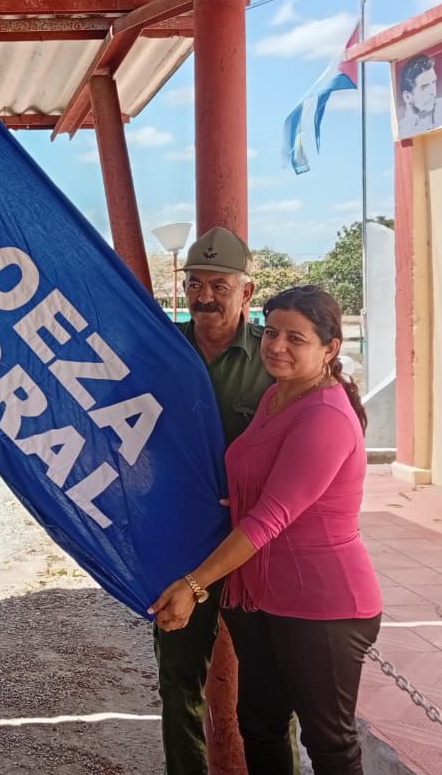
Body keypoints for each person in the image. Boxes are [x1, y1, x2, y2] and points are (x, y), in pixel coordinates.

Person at [150, 285, 381, 775]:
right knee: (260, 726)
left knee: (329, 744)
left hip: (320, 605)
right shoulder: (276, 395)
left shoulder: (325, 415)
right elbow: (259, 479)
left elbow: (270, 517)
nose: (276, 347)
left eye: (296, 338)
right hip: (260, 599)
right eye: (271, 332)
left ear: (329, 348)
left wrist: (194, 584)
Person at [154, 227, 278, 775]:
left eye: (219, 286)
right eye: (195, 284)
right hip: (180, 543)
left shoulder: (272, 358)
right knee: (178, 682)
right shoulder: (160, 350)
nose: (204, 296)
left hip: (253, 544)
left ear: (246, 292)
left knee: (268, 690)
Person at [397, 53, 442, 136]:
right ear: (407, 97)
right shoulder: (403, 132)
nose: (433, 92)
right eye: (424, 87)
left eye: (434, 82)